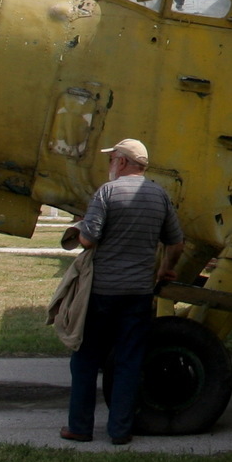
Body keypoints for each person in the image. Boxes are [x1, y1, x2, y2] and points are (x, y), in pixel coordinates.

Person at [61, 138, 183, 446]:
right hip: (139, 293)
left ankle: (80, 427)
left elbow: (89, 240)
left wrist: (78, 228)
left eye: (112, 160)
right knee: (129, 361)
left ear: (123, 162)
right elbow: (176, 242)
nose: (109, 165)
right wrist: (164, 268)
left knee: (86, 359)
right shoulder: (160, 196)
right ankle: (120, 430)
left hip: (102, 291)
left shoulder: (107, 192)